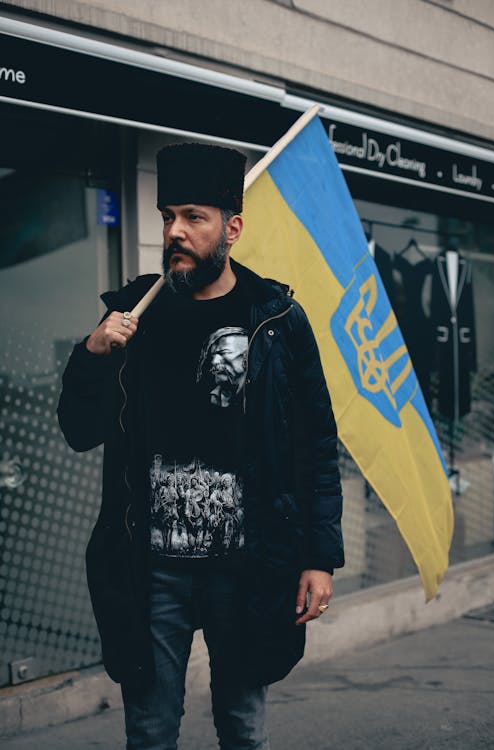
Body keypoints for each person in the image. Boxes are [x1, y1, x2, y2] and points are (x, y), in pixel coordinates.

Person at [57, 142, 344, 750]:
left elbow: (315, 444)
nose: (175, 232)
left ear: (232, 228)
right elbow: (79, 432)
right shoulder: (133, 313)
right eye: (167, 217)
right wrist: (91, 356)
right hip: (152, 570)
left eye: (194, 217)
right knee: (152, 730)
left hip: (248, 569)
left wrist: (320, 557)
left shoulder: (277, 320)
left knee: (242, 729)